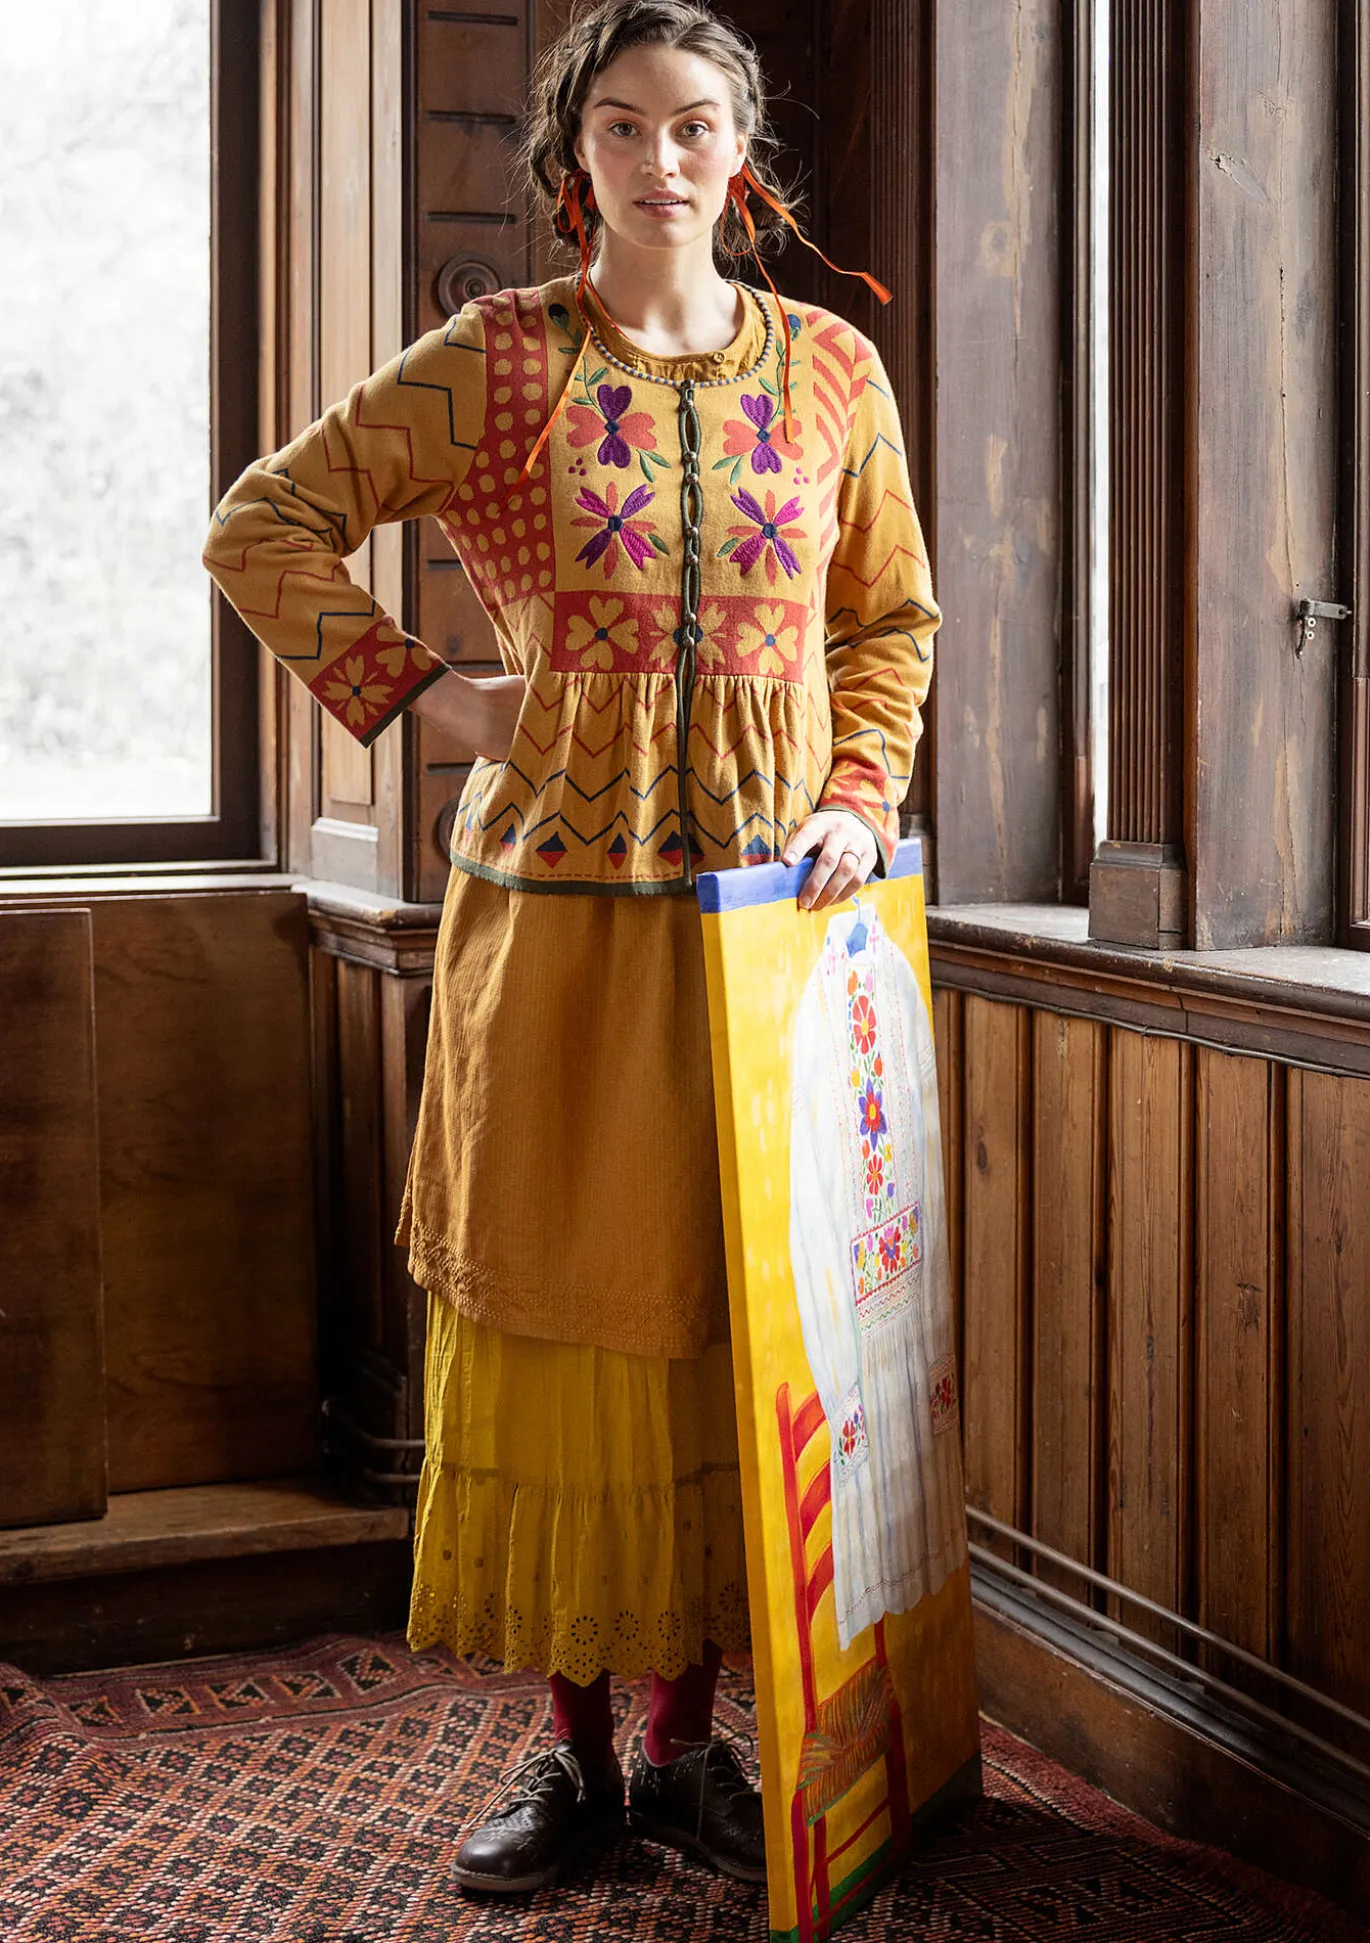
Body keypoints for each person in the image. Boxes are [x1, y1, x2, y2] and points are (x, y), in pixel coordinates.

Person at [203, 0, 940, 1899]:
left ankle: (691, 1751)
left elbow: (887, 622)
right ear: (572, 157)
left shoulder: (833, 370)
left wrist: (859, 793)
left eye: (693, 125)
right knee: (558, 1321)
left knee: (727, 1315)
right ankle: (576, 1758)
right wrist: (428, 694)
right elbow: (262, 524)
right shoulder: (503, 359)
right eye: (622, 125)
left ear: (741, 151)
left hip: (765, 938)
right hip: (552, 930)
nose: (660, 158)